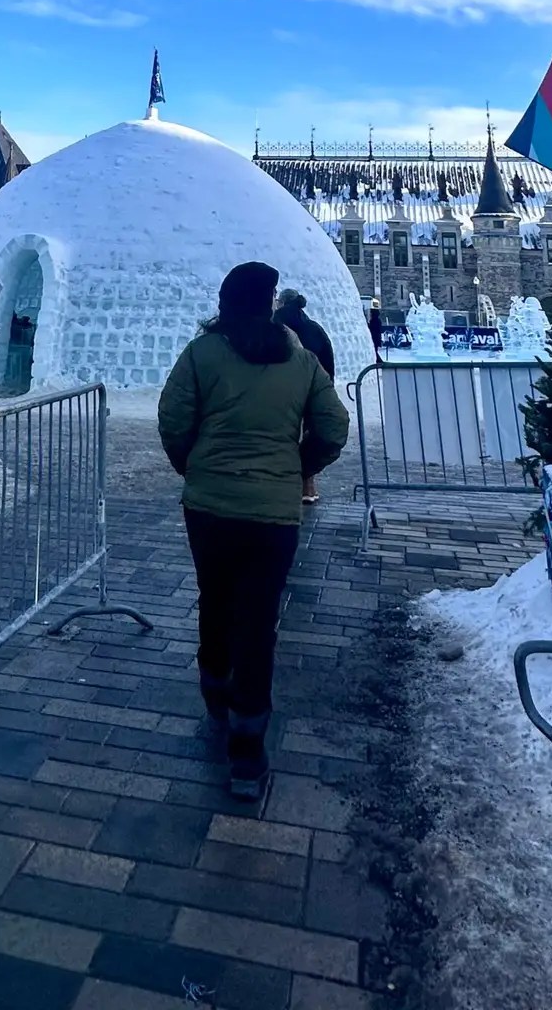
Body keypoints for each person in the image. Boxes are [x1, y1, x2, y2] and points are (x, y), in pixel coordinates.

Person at [157, 261, 350, 801]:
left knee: (215, 599)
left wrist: (193, 465)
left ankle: (216, 692)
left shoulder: (202, 354)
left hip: (210, 509)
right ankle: (247, 751)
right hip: (273, 516)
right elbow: (335, 424)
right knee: (259, 619)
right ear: (268, 304)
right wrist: (296, 466)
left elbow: (172, 418)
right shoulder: (300, 362)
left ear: (225, 302)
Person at [275, 289, 336, 508]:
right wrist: (326, 389)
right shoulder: (314, 328)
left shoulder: (276, 326)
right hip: (313, 391)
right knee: (309, 437)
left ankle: (283, 486)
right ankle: (308, 487)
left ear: (281, 303)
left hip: (285, 392)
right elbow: (328, 362)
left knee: (285, 438)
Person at [367, 298, 384, 363]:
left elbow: (372, 329)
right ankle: (378, 361)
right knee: (375, 350)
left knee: (374, 350)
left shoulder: (374, 321)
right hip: (376, 338)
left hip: (374, 338)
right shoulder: (378, 320)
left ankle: (379, 361)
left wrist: (368, 325)